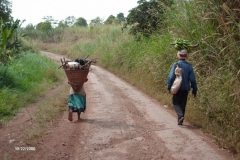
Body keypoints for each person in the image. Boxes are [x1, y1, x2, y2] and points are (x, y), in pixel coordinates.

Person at [167, 49, 198, 125]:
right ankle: (180, 120)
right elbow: (192, 79)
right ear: (186, 56)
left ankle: (180, 116)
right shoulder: (189, 66)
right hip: (186, 88)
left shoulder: (176, 65)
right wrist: (194, 89)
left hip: (178, 88)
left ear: (179, 55)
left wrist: (169, 86)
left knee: (175, 103)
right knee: (183, 104)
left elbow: (171, 77)